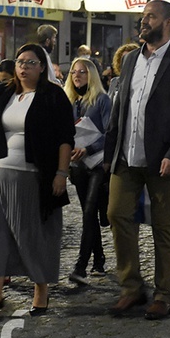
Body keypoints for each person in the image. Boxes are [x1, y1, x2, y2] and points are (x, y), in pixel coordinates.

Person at [103, 0, 170, 320]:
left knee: (163, 226)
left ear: (169, 23)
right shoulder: (131, 58)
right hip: (126, 154)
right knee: (117, 214)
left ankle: (163, 293)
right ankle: (131, 287)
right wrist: (110, 152)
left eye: (151, 16)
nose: (144, 21)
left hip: (163, 159)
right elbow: (121, 107)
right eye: (143, 16)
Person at [0, 43, 74, 315]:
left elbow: (66, 138)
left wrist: (61, 173)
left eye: (31, 62)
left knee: (31, 235)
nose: (24, 67)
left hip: (32, 177)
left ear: (42, 67)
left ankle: (41, 290)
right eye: (20, 62)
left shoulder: (52, 96)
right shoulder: (2, 93)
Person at [64, 57, 112, 285]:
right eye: (74, 72)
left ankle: (81, 265)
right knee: (88, 213)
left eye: (82, 72)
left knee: (90, 210)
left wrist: (89, 147)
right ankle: (99, 260)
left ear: (91, 75)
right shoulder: (70, 100)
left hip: (97, 163)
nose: (77, 75)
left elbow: (111, 132)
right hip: (77, 165)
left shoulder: (102, 100)